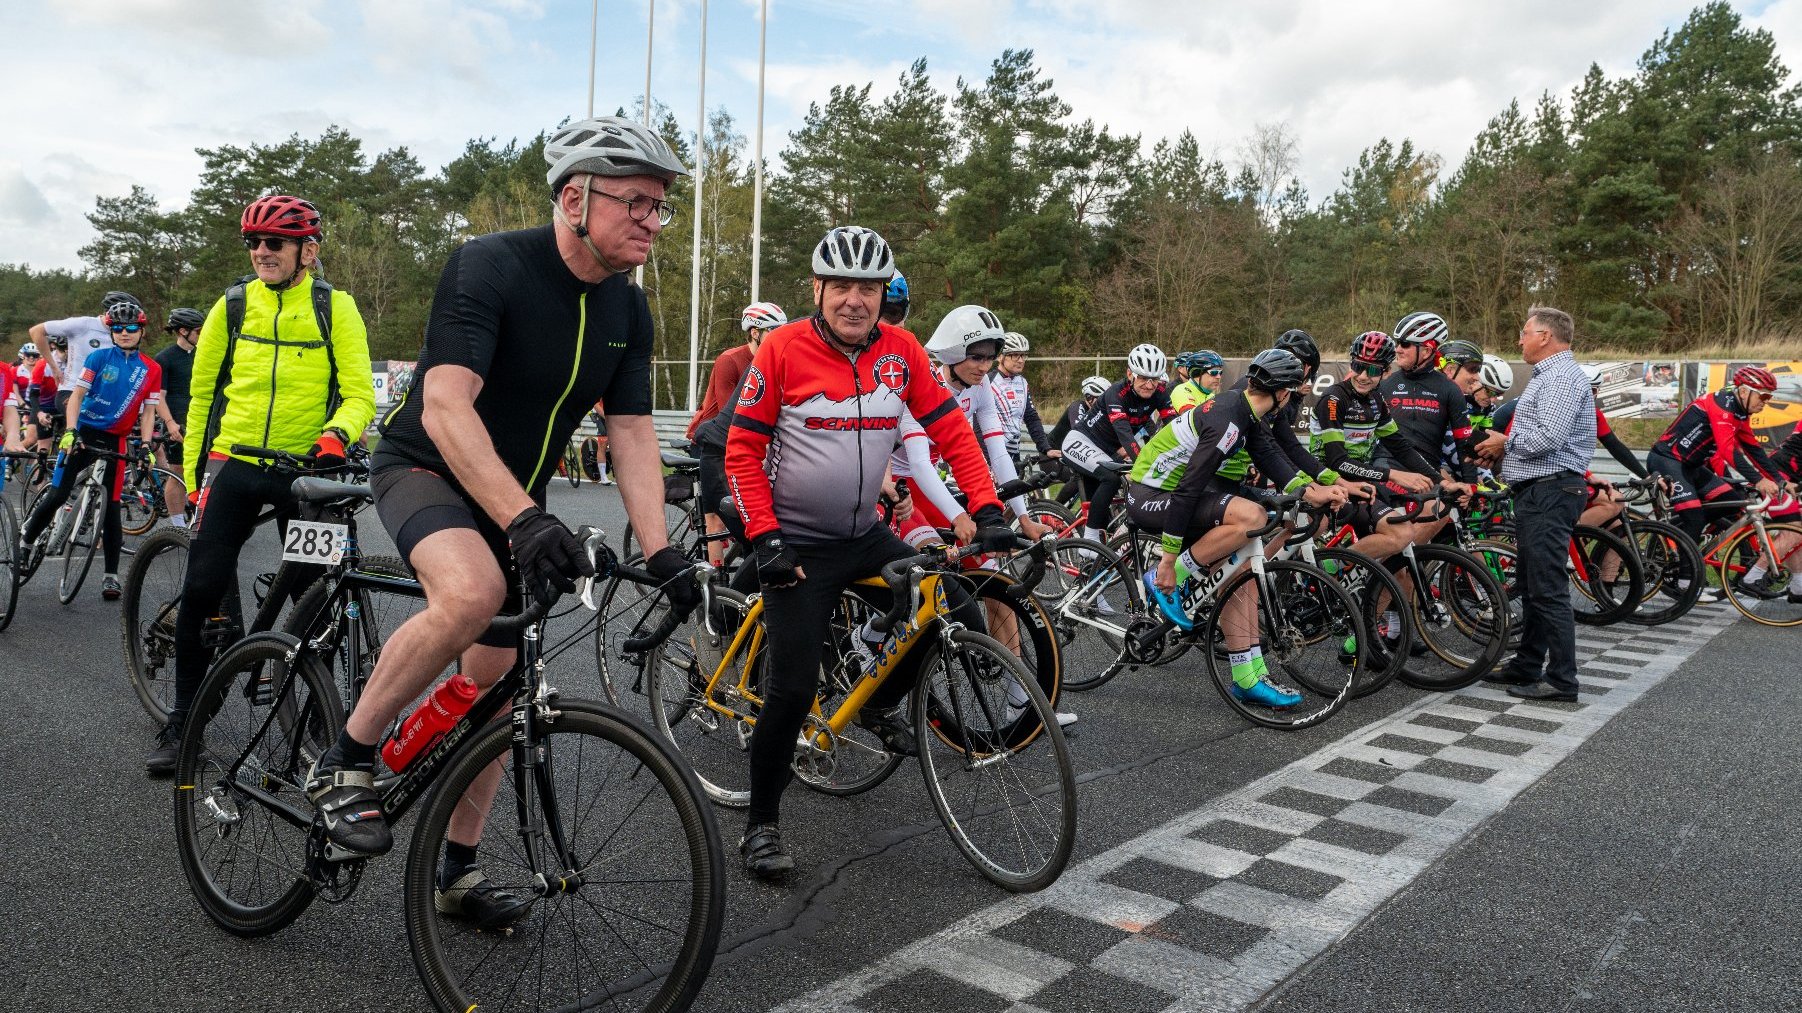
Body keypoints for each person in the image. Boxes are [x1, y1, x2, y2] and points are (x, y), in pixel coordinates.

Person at [300, 117, 695, 928]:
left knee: (498, 678)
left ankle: (457, 870)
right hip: (426, 465)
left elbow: (629, 434)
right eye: (639, 203)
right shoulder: (489, 264)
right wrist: (520, 516)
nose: (653, 221)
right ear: (574, 196)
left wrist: (662, 556)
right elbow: (445, 405)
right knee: (473, 589)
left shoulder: (628, 306)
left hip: (514, 498)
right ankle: (346, 761)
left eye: (662, 207)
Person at [724, 225, 1012, 881]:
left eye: (870, 288)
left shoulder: (901, 350)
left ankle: (878, 701)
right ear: (818, 289)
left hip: (864, 531)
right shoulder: (781, 351)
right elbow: (740, 451)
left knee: (954, 607)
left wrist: (987, 506)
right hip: (798, 540)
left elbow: (949, 429)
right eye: (843, 286)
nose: (856, 300)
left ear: (884, 294)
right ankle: (761, 824)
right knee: (792, 689)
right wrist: (764, 536)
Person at [143, 194, 377, 777]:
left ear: (307, 250)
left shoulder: (335, 308)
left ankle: (318, 717)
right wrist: (196, 477)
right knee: (200, 592)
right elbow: (202, 397)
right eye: (253, 242)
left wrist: (336, 434)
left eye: (273, 242)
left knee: (318, 594)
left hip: (304, 471)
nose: (261, 252)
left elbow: (359, 396)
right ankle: (183, 721)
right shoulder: (232, 305)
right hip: (236, 462)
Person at [1124, 349, 1348, 706]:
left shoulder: (1245, 413)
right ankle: (1170, 579)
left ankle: (1247, 678)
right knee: (1251, 517)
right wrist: (1169, 563)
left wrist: (1313, 493)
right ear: (1283, 394)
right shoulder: (1228, 419)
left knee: (1240, 574)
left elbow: (1273, 460)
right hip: (1151, 494)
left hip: (1178, 493)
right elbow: (1187, 491)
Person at [1484, 306, 1597, 703]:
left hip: (1551, 490)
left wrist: (1503, 443)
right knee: (1533, 585)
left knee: (1547, 588)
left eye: (1525, 332)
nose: (1520, 339)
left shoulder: (1562, 378)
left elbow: (1547, 437)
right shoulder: (1550, 376)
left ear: (1545, 336)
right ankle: (1527, 665)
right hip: (1540, 490)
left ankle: (1563, 680)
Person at [17, 300, 162, 600]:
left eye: (131, 328)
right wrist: (70, 431)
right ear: (110, 330)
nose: (125, 333)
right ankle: (26, 542)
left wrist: (146, 446)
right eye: (118, 328)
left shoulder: (151, 369)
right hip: (83, 431)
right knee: (58, 493)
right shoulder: (97, 358)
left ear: (141, 331)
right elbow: (77, 395)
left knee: (110, 505)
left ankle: (110, 576)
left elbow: (148, 413)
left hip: (116, 439)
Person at [689, 301, 786, 561]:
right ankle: (715, 586)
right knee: (717, 521)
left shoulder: (772, 360)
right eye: (775, 331)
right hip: (713, 436)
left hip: (742, 439)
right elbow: (733, 414)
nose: (782, 337)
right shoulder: (730, 360)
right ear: (756, 332)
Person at [1061, 344, 1174, 543]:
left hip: (1107, 451)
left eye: (1154, 379)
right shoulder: (1116, 393)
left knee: (1116, 492)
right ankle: (1089, 541)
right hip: (1080, 441)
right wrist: (1144, 464)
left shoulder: (1161, 393)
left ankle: (1107, 543)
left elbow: (1175, 426)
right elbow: (1125, 436)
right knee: (1112, 478)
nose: (1149, 385)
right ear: (1130, 373)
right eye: (1143, 378)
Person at [30, 292, 136, 418]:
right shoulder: (83, 324)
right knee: (84, 430)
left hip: (101, 397)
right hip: (71, 391)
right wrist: (54, 367)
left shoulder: (125, 335)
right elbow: (36, 331)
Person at [153, 308, 203, 528]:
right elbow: (158, 397)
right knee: (178, 473)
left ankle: (201, 519)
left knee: (204, 471)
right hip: (177, 424)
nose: (202, 336)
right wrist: (170, 424)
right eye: (199, 332)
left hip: (200, 422)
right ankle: (177, 525)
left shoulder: (203, 354)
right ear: (183, 331)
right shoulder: (165, 358)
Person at [989, 331, 1053, 470]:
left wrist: (1045, 448)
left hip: (1013, 453)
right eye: (1014, 355)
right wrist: (988, 462)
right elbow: (977, 424)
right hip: (990, 453)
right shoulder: (988, 381)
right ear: (1000, 357)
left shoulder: (1022, 383)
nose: (1021, 360)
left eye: (1023, 355)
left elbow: (1031, 417)